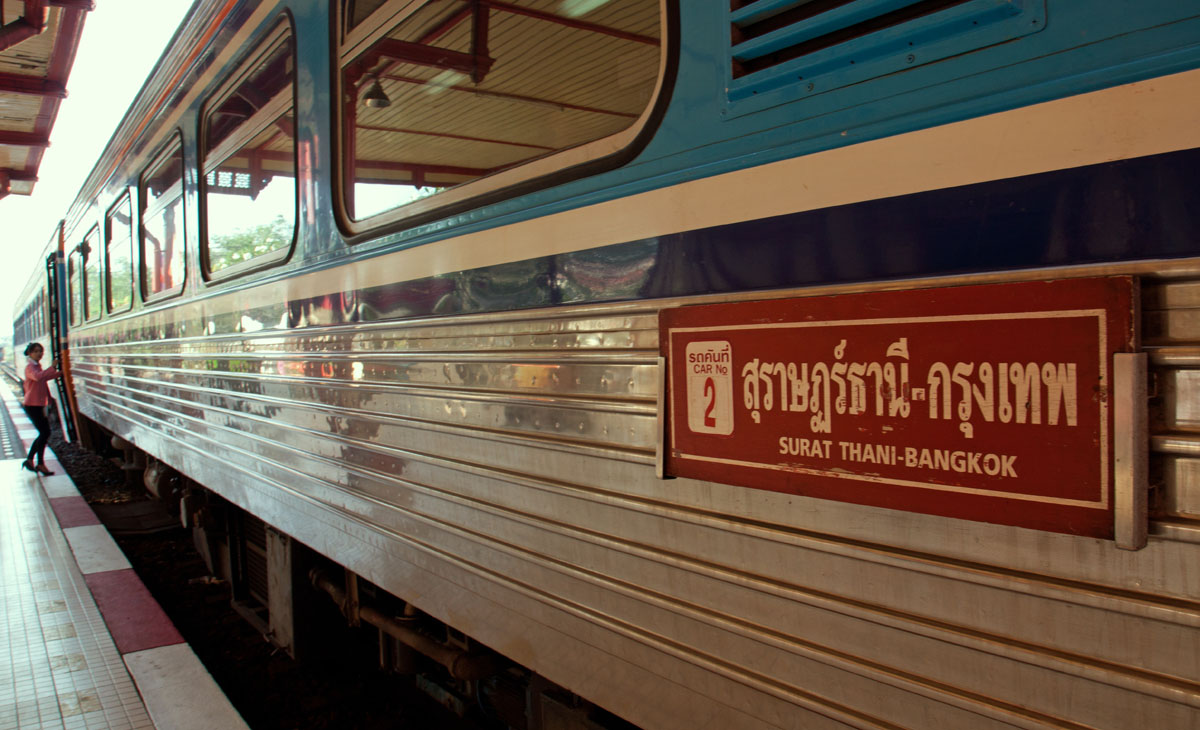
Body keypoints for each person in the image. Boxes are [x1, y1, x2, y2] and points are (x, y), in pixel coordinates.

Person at [21, 342, 59, 476]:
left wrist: (60, 373)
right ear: (30, 353)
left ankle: (32, 461)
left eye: (41, 351)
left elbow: (44, 377)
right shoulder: (30, 367)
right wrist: (53, 368)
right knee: (45, 433)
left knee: (44, 433)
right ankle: (37, 462)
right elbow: (38, 377)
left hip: (38, 404)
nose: (39, 353)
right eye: (36, 351)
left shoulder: (36, 366)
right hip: (32, 405)